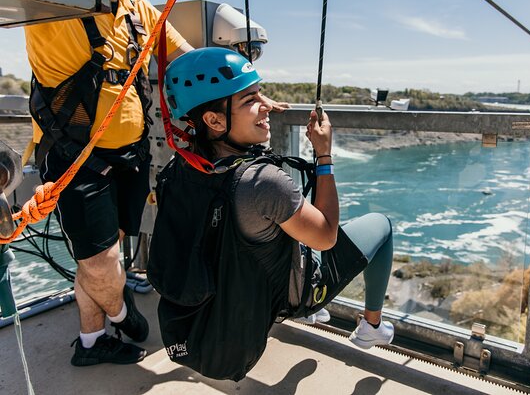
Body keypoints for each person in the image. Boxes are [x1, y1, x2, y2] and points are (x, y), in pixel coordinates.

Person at [149, 47, 395, 378]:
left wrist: (251, 113)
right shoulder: (260, 182)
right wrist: (324, 155)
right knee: (381, 225)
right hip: (293, 292)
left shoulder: (181, 167)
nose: (267, 105)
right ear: (214, 119)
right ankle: (372, 326)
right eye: (250, 99)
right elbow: (325, 237)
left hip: (229, 291)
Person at [24, 0, 194, 366]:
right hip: (74, 155)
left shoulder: (140, 11)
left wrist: (249, 91)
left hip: (130, 155)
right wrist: (124, 309)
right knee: (100, 261)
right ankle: (121, 313)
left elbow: (186, 55)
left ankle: (91, 341)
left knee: (103, 252)